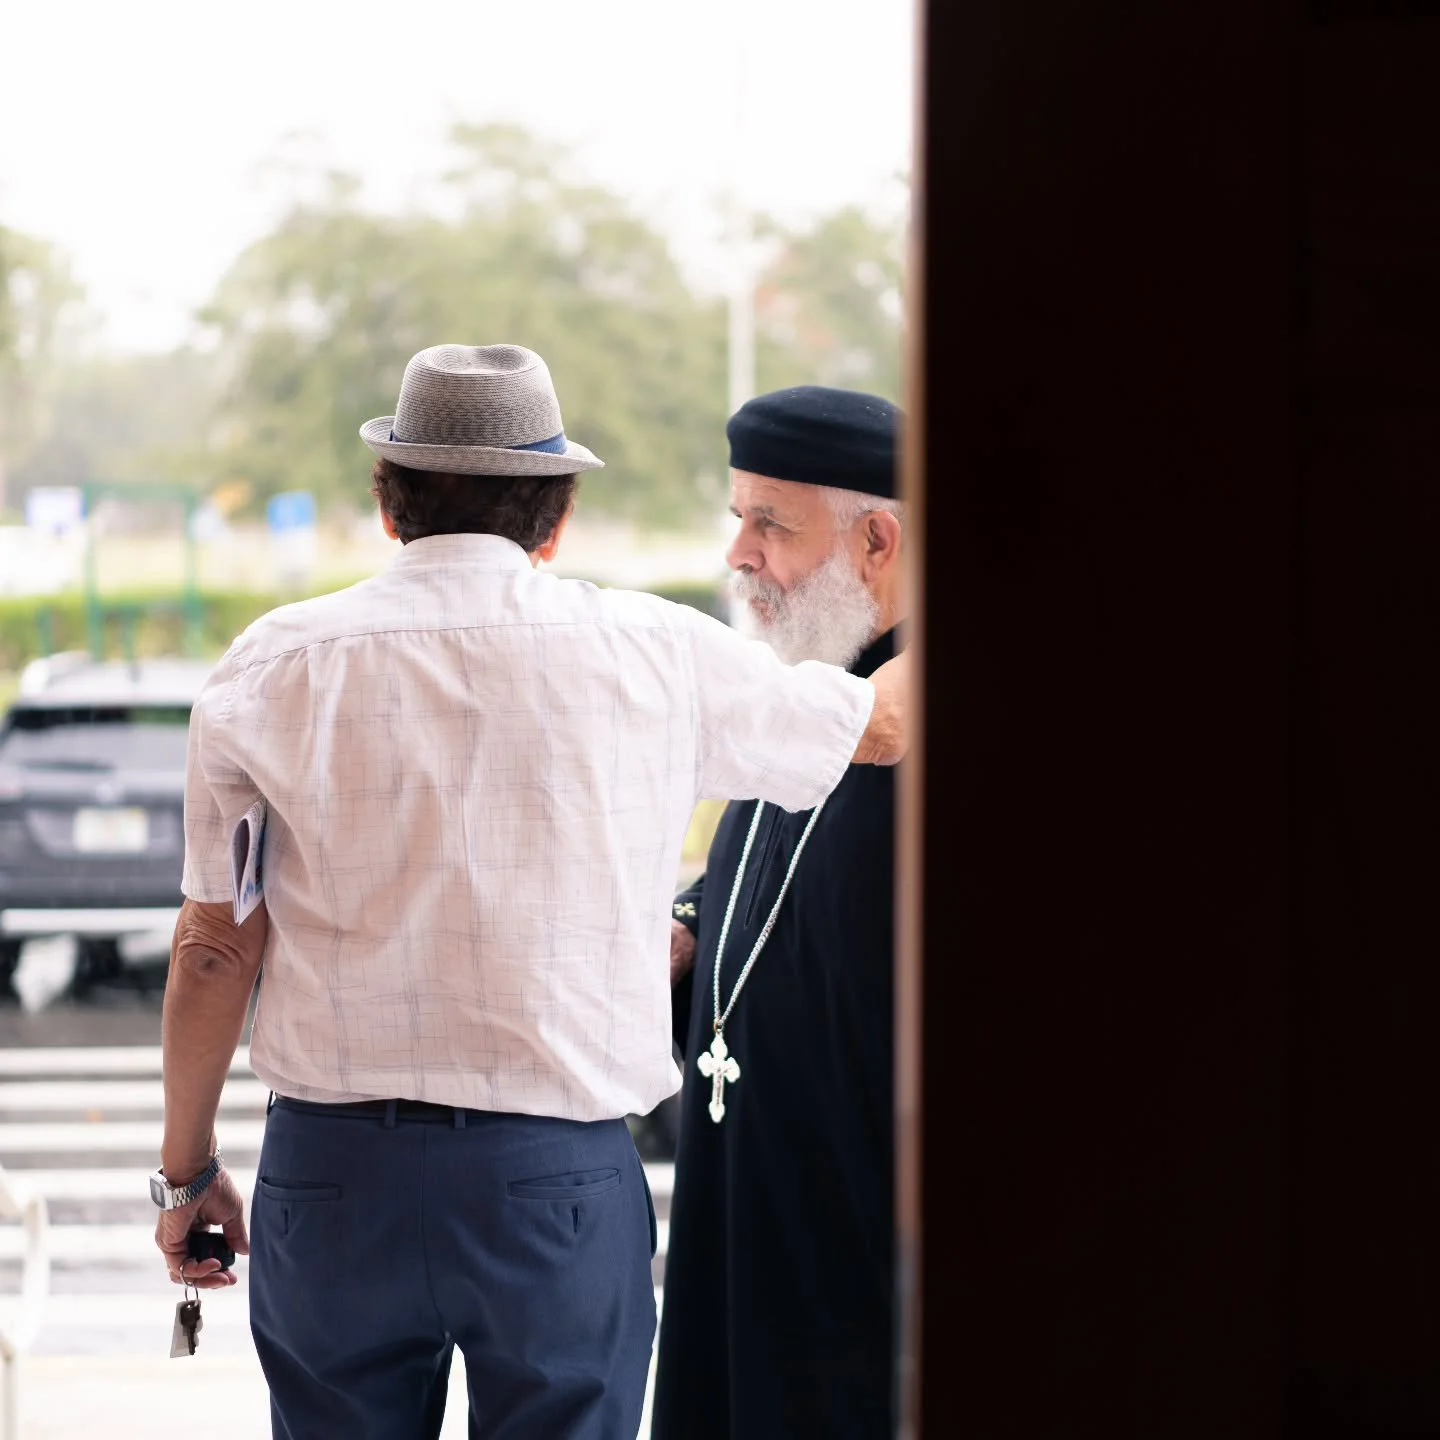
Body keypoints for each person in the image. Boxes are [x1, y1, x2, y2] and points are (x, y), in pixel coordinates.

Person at [150, 344, 909, 1440]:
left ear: (386, 503)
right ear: (555, 515)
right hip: (552, 1184)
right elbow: (879, 728)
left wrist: (188, 1180)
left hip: (332, 1179)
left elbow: (214, 948)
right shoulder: (651, 651)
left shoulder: (271, 665)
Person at [652, 385, 907, 1440]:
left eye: (771, 524)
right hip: (741, 1211)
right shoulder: (805, 700)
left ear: (876, 540)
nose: (741, 555)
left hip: (852, 1253)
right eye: (738, 520)